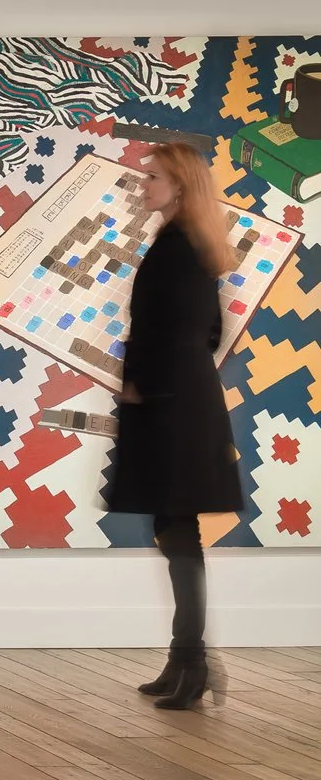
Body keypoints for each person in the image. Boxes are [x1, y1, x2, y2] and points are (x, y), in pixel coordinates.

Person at [107, 142, 245, 711]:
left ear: (180, 186)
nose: (145, 187)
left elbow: (164, 330)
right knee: (175, 528)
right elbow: (209, 333)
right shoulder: (191, 244)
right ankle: (187, 659)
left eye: (154, 179)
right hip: (180, 399)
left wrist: (144, 382)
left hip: (170, 405)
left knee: (177, 533)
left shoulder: (176, 248)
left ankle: (192, 661)